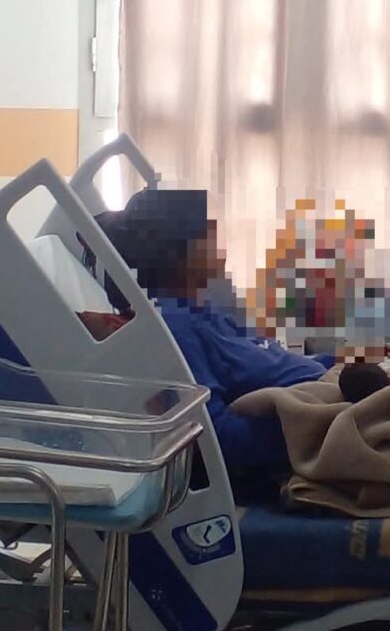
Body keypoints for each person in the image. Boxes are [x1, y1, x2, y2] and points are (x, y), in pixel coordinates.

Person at [93, 188, 327, 475]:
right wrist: (313, 429)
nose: (218, 234)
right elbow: (215, 437)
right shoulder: (178, 330)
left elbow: (274, 360)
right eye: (206, 229)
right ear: (176, 251)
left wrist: (343, 362)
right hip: (314, 425)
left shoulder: (204, 310)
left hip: (325, 395)